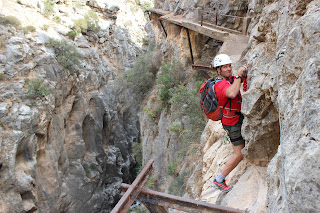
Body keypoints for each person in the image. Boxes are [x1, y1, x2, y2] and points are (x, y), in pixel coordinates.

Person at [211, 54, 247, 192]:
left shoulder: (228, 79)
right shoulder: (220, 85)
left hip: (235, 119)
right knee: (239, 153)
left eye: (229, 65)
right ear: (218, 70)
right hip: (232, 123)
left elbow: (236, 82)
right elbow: (232, 93)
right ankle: (219, 179)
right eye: (225, 66)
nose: (229, 68)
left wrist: (241, 74)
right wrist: (238, 75)